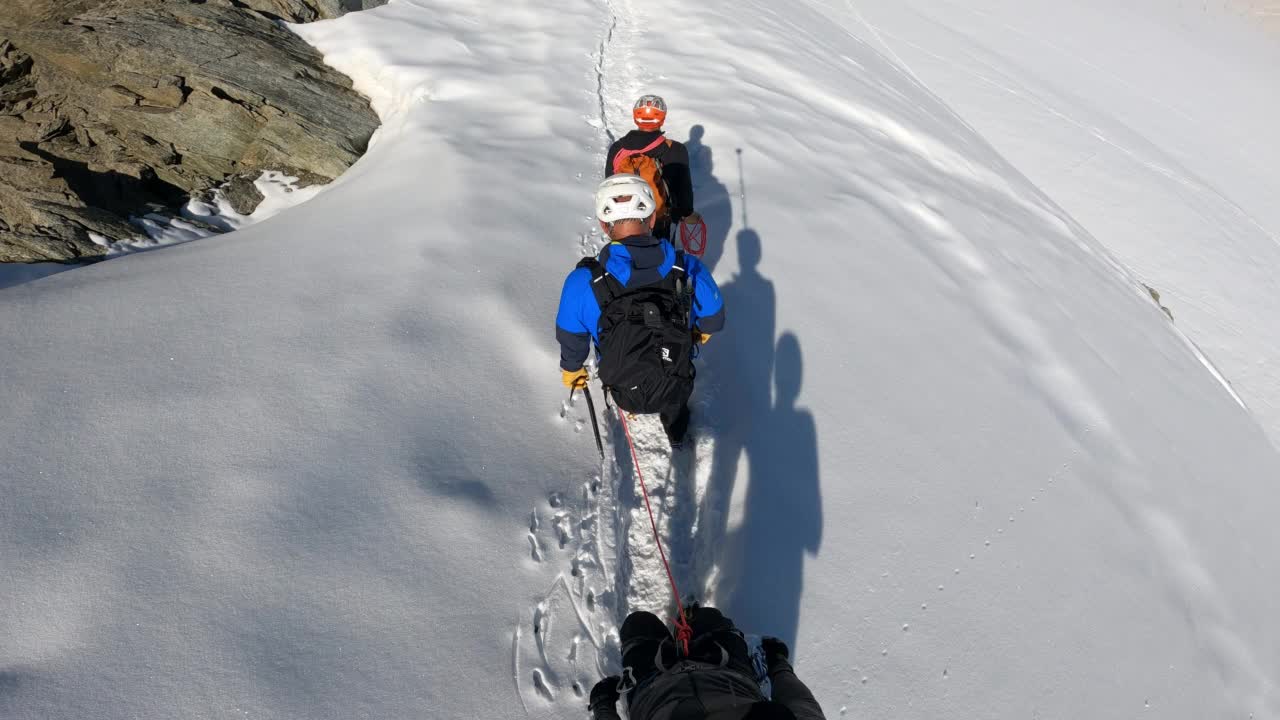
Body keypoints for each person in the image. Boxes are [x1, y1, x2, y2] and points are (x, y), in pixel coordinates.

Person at [556, 174, 724, 448]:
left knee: (629, 380)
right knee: (675, 392)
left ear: (603, 224)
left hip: (623, 387)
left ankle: (633, 403)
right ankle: (677, 429)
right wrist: (697, 332)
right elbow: (714, 318)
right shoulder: (688, 267)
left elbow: (571, 338)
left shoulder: (582, 282)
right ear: (653, 219)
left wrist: (572, 369)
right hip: (675, 378)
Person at [589, 606, 827, 720]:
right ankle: (691, 622)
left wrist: (603, 705)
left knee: (638, 624)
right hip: (728, 672)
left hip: (652, 690)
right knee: (707, 617)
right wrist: (778, 664)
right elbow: (801, 705)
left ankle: (688, 625)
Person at [605, 95, 699, 243]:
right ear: (662, 118)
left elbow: (609, 184)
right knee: (660, 260)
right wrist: (686, 214)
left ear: (636, 117)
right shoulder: (675, 149)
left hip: (623, 222)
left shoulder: (618, 149)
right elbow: (683, 190)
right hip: (660, 221)